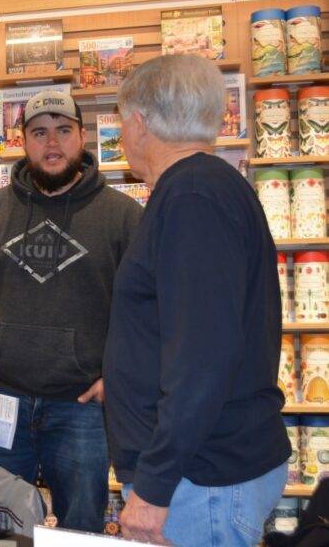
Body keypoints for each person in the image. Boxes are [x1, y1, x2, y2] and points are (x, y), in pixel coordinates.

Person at [104, 54, 290, 546]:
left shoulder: (192, 197)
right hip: (204, 474)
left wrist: (155, 486)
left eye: (123, 124)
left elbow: (203, 357)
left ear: (140, 124)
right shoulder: (203, 189)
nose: (123, 138)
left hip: (200, 481)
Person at [0, 90, 143, 531]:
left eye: (64, 131)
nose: (53, 144)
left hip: (81, 407)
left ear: (83, 137)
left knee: (80, 530)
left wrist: (119, 373)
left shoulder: (123, 216)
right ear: (23, 141)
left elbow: (149, 306)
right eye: (40, 133)